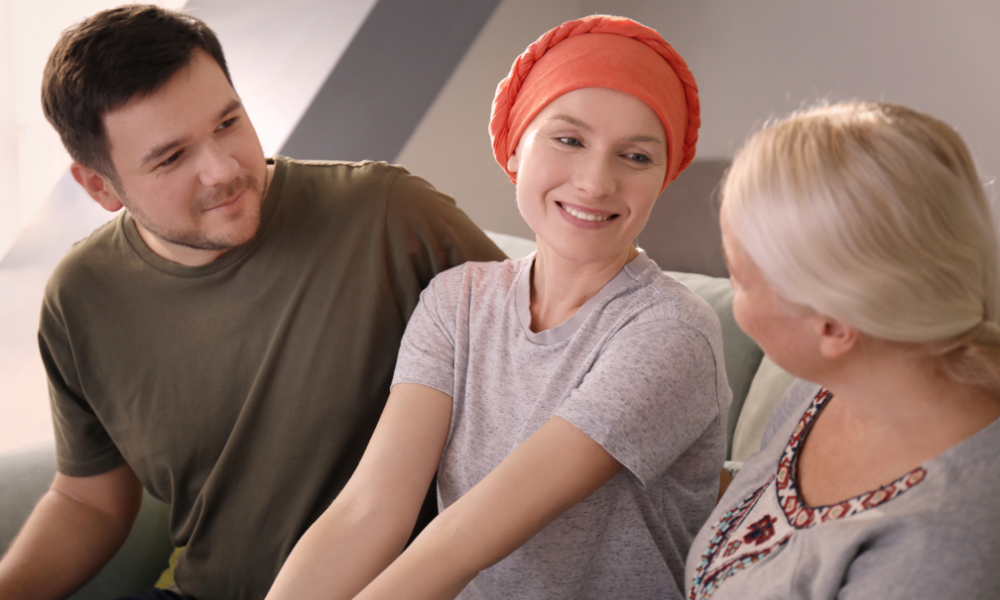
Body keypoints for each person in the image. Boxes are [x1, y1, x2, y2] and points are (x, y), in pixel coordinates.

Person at [0, 5, 505, 600]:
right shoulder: (79, 297)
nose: (223, 170)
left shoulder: (389, 216)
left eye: (227, 123)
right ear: (100, 186)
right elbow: (90, 499)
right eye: (171, 157)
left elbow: (549, 363)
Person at [266, 15, 731, 600]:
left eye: (636, 157)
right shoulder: (456, 301)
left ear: (664, 177)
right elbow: (369, 510)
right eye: (569, 139)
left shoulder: (671, 333)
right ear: (516, 145)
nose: (595, 181)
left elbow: (469, 537)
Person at [686, 102, 1000, 599]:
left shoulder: (939, 549)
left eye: (740, 280)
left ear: (833, 327)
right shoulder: (828, 386)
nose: (731, 289)